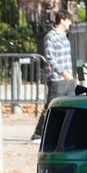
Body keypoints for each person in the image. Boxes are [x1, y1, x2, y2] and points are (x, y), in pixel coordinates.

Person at [32, 11, 75, 143]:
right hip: (57, 78)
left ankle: (65, 134)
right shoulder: (51, 36)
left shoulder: (65, 36)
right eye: (69, 20)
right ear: (62, 20)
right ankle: (38, 135)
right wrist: (62, 72)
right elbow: (50, 58)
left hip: (69, 78)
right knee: (52, 107)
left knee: (72, 106)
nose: (70, 23)